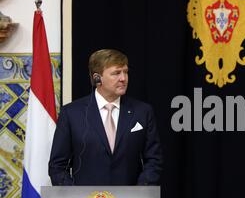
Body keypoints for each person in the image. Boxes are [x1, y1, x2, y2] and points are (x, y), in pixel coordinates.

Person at [49, 49, 163, 186]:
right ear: (97, 78)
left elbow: (154, 160)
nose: (123, 78)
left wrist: (139, 194)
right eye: (116, 73)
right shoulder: (71, 113)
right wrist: (75, 197)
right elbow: (57, 167)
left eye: (125, 72)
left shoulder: (143, 111)